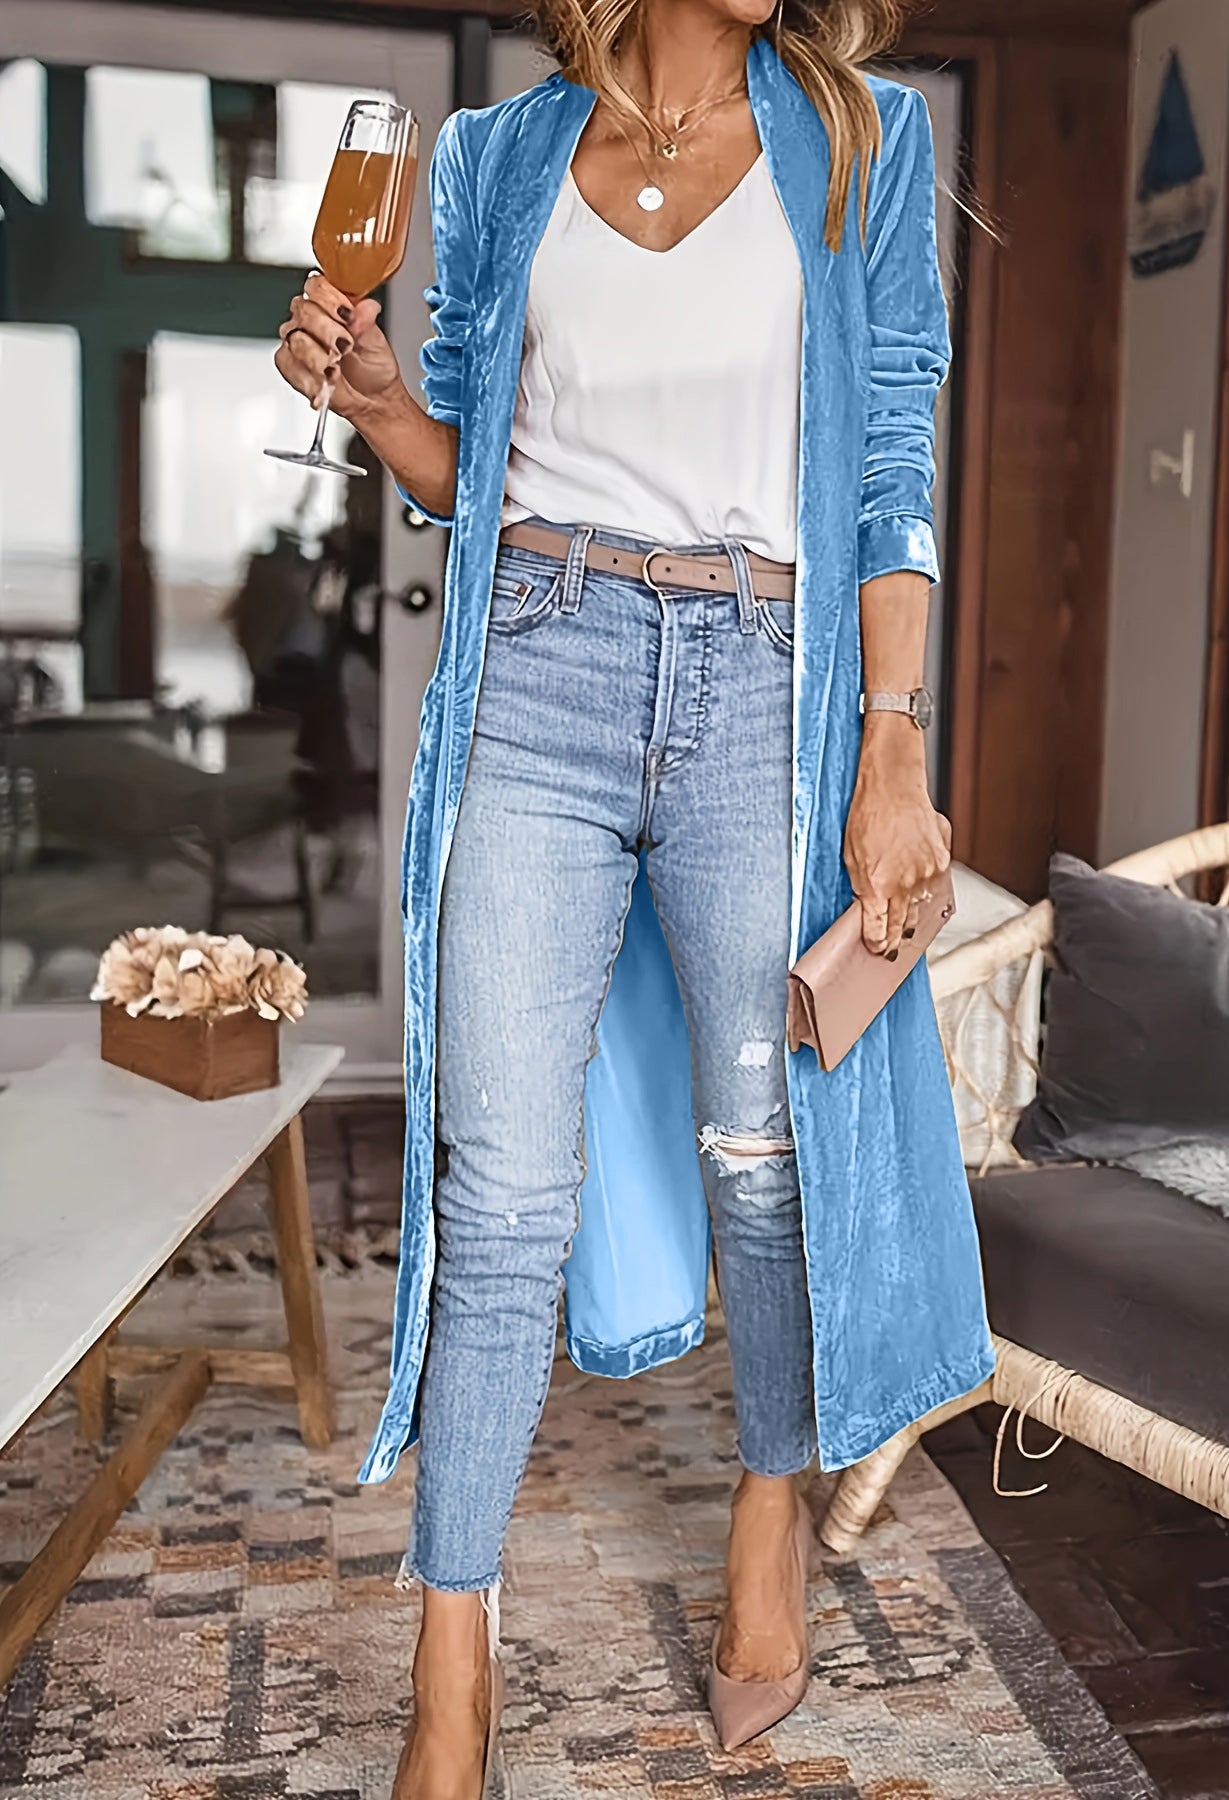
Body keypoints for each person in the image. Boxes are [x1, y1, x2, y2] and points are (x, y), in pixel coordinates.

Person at [274, 0, 994, 1788]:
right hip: (539, 665)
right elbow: (472, 469)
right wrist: (381, 408)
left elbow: (893, 463)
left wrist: (889, 750)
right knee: (500, 1181)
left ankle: (770, 1503)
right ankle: (455, 1656)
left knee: (763, 1158)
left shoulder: (863, 138)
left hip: (767, 678)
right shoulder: (503, 154)